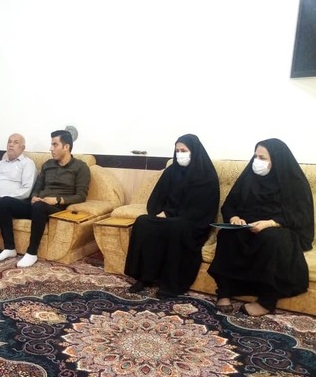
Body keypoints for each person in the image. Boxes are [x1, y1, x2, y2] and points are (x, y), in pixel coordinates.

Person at [208, 138, 313, 316]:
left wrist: (270, 223)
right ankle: (224, 292)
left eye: (262, 158)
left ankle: (266, 301)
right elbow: (230, 204)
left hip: (279, 227)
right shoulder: (248, 177)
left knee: (272, 239)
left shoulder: (293, 182)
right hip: (247, 225)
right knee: (227, 234)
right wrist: (234, 218)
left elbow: (300, 215)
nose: (257, 161)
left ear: (276, 160)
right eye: (255, 156)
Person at [124, 134, 220, 298]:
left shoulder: (206, 175)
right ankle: (144, 277)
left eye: (184, 150)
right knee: (143, 222)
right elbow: (155, 199)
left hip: (193, 223)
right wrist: (159, 212)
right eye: (177, 151)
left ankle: (170, 284)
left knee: (177, 227)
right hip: (169, 218)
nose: (180, 154)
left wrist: (170, 214)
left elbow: (201, 210)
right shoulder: (171, 171)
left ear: (194, 151)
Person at [0, 129, 90, 268]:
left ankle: (31, 253)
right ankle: (9, 248)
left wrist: (57, 200)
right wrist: (34, 196)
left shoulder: (80, 167)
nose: (51, 148)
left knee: (39, 207)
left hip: (57, 208)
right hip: (38, 204)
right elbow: (37, 186)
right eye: (51, 144)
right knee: (4, 202)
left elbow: (81, 196)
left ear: (66, 147)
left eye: (55, 145)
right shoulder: (48, 164)